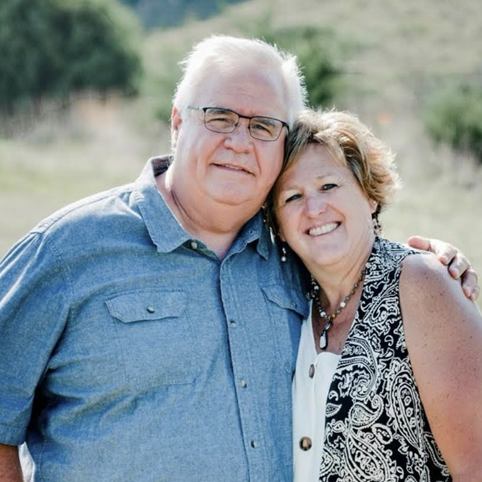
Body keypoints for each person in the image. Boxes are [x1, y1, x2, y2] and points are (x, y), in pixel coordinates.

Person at [0, 36, 478, 482]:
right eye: (220, 117)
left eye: (263, 126)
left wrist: (433, 269)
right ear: (177, 122)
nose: (240, 142)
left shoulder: (294, 257)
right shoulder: (68, 250)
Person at [268, 108, 482, 481]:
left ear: (369, 194)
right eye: (292, 197)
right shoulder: (285, 297)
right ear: (279, 226)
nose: (314, 208)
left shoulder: (421, 283)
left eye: (329, 186)